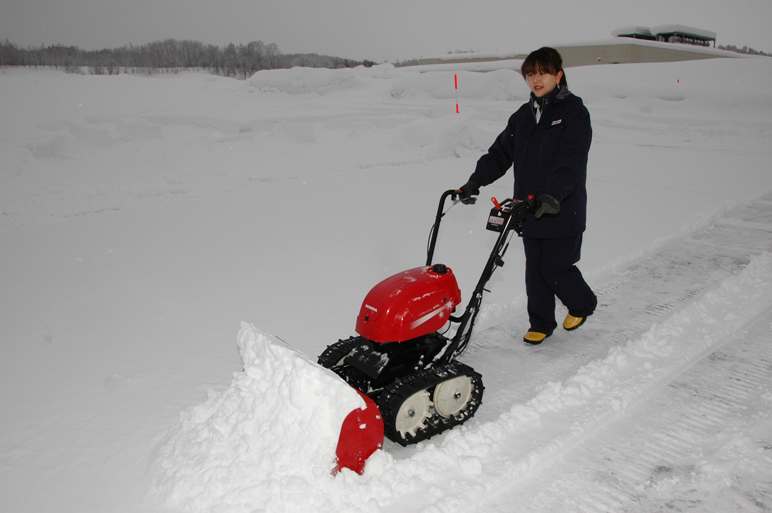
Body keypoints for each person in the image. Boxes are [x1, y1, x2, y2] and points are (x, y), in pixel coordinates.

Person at [458, 47, 597, 345]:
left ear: (558, 75)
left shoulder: (574, 113)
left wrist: (554, 194)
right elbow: (500, 154)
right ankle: (542, 322)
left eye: (544, 72)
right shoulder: (522, 116)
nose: (537, 79)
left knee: (555, 268)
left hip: (562, 207)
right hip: (529, 208)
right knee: (535, 272)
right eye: (531, 73)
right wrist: (475, 181)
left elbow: (571, 160)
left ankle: (582, 304)